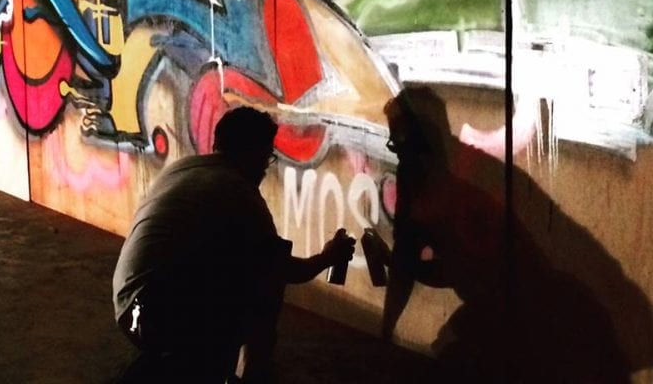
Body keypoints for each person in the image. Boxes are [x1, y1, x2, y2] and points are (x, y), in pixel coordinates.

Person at [373, 87, 636, 382]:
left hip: (541, 322)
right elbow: (437, 266)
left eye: (401, 140)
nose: (399, 153)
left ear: (427, 138)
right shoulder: (432, 175)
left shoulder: (459, 182)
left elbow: (460, 270)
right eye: (395, 143)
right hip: (534, 315)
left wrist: (400, 283)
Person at [112, 106, 355, 383]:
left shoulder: (183, 168)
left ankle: (178, 362)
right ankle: (243, 372)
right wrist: (327, 257)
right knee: (263, 282)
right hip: (154, 318)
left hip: (129, 307)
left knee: (245, 264)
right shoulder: (237, 190)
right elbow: (283, 270)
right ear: (253, 153)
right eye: (267, 157)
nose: (266, 167)